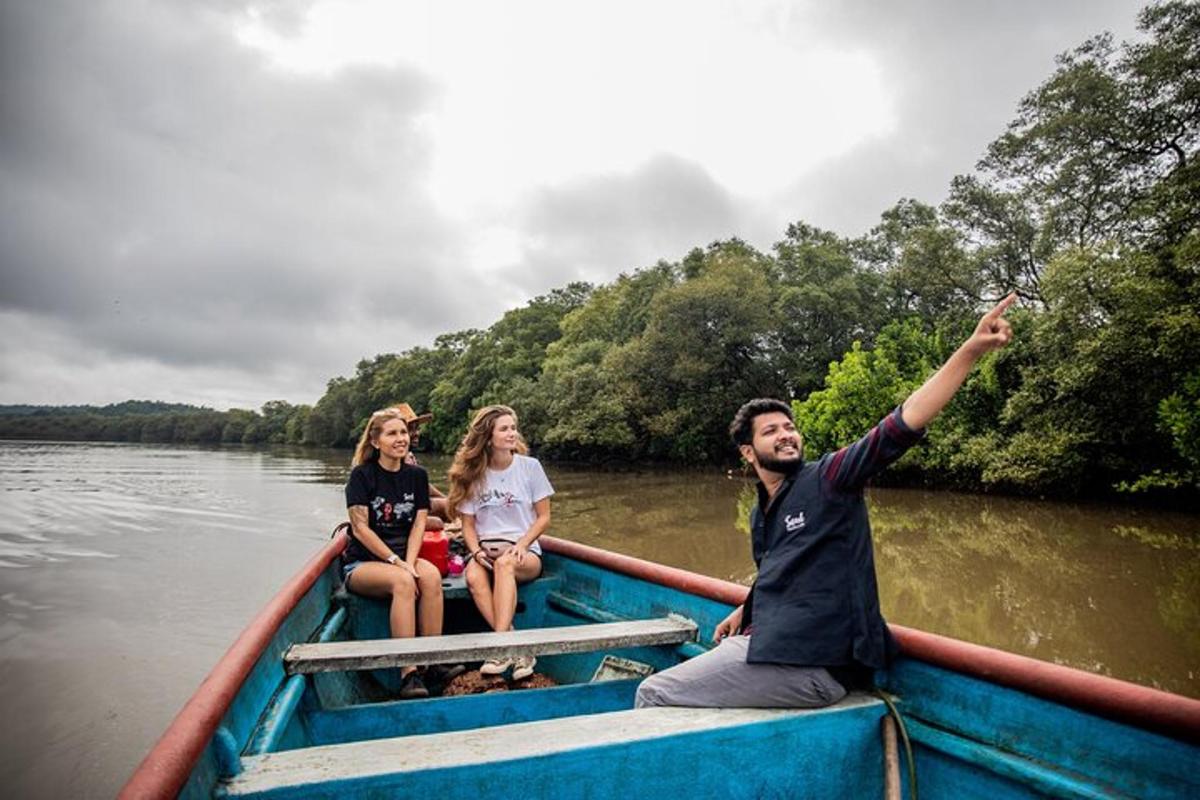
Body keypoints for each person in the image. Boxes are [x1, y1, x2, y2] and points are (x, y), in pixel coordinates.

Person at [635, 294, 1017, 709]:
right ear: (748, 452)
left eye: (790, 427)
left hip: (816, 667)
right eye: (770, 431)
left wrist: (970, 349)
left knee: (653, 693)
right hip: (774, 649)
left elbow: (900, 425)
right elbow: (782, 567)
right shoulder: (761, 511)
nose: (786, 434)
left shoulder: (830, 478)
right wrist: (747, 610)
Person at [344, 407, 446, 699]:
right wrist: (396, 562)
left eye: (403, 432)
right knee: (403, 582)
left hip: (405, 557)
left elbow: (418, 525)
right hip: (365, 562)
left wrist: (411, 562)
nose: (401, 438)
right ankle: (408, 672)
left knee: (430, 577)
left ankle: (432, 661)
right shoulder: (361, 476)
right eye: (392, 433)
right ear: (376, 442)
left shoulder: (417, 475)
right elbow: (361, 529)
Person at [447, 405, 554, 681]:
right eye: (504, 428)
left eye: (512, 428)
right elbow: (468, 525)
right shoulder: (474, 475)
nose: (511, 433)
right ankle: (518, 648)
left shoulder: (530, 468)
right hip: (484, 552)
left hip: (523, 552)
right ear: (488, 436)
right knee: (473, 575)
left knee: (505, 564)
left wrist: (522, 544)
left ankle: (499, 647)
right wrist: (475, 551)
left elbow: (544, 518)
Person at [390, 403, 452, 530]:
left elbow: (422, 487)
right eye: (412, 429)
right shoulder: (398, 457)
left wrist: (448, 500)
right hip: (398, 507)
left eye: (417, 428)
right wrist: (447, 501)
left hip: (408, 504)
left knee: (448, 505)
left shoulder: (407, 455)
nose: (417, 433)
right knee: (445, 508)